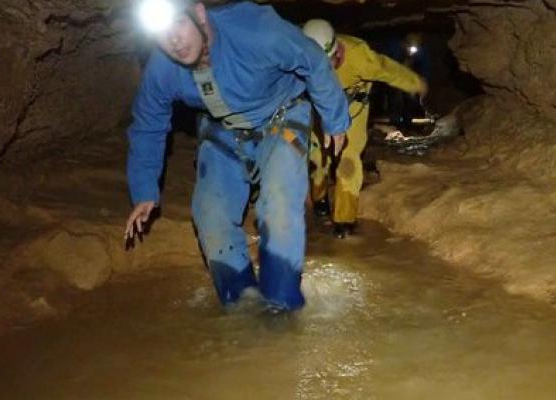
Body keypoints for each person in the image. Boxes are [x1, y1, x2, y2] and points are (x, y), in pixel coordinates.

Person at [124, 0, 351, 313]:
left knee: (279, 203)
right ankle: (242, 306)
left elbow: (311, 59)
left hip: (281, 116)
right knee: (210, 214)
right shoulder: (162, 68)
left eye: (178, 24)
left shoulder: (256, 30)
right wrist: (144, 189)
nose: (173, 40)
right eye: (162, 34)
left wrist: (335, 119)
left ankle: (280, 306)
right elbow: (148, 125)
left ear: (200, 14)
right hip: (222, 128)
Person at [302, 19, 427, 239]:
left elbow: (388, 69)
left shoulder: (359, 56)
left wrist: (414, 82)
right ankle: (319, 198)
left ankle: (344, 220)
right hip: (319, 107)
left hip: (352, 108)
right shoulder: (297, 56)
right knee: (317, 157)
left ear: (336, 51)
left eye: (328, 62)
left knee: (348, 160)